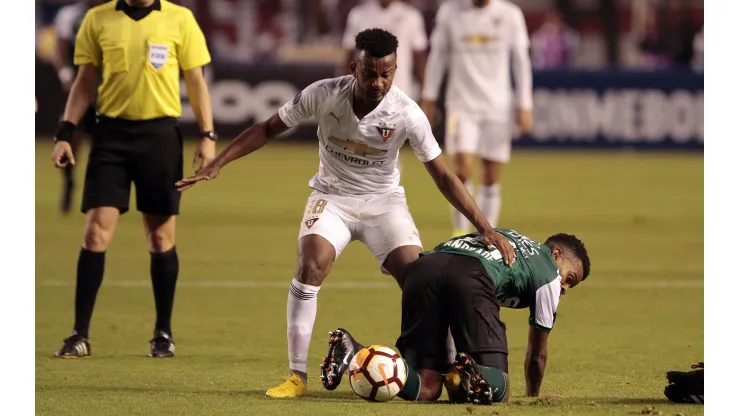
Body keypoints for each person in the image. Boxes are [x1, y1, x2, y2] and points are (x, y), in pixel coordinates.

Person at [175, 28, 516, 398]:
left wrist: (484, 226)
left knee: (424, 279)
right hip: (331, 198)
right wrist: (219, 163)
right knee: (311, 263)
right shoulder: (323, 94)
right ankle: (296, 376)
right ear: (355, 66)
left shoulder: (406, 113)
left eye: (387, 74)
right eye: (371, 73)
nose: (379, 82)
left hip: (384, 203)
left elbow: (444, 175)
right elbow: (268, 127)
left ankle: (448, 367)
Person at [50, 0, 215, 358]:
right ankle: (79, 334)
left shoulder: (179, 18)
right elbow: (85, 81)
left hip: (159, 138)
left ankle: (163, 334)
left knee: (160, 237)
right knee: (94, 232)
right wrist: (65, 131)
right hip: (111, 137)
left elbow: (196, 80)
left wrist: (208, 135)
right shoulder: (98, 19)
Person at [320, 229, 591, 404]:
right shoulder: (548, 275)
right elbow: (537, 353)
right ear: (555, 254)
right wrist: (534, 395)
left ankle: (354, 352)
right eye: (569, 277)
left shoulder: (513, 239)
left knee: (427, 389)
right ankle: (473, 372)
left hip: (424, 268)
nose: (564, 287)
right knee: (501, 389)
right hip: (470, 276)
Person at [420, 0, 533, 237]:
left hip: (498, 105)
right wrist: (429, 96)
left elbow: (520, 60)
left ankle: (487, 233)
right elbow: (438, 56)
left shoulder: (510, 14)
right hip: (461, 104)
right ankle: (460, 235)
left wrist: (525, 104)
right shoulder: (450, 12)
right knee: (461, 170)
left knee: (490, 175)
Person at [51, 0, 104, 214]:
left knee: (103, 146)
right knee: (71, 139)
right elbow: (60, 46)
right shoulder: (70, 15)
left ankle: (99, 194)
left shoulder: (113, 15)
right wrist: (65, 73)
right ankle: (69, 183)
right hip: (79, 88)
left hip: (106, 92)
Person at [342, 0, 428, 101]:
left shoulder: (411, 16)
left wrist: (426, 95)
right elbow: (350, 59)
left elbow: (420, 60)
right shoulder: (358, 15)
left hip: (401, 93)